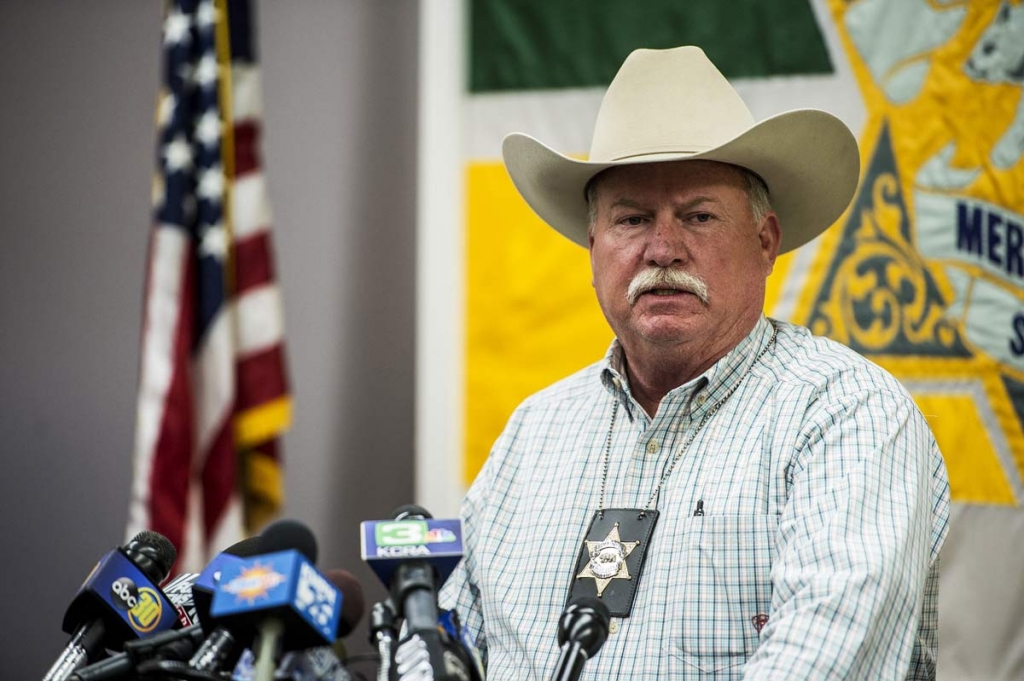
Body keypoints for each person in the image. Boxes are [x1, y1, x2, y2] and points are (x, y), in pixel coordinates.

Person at [439, 46, 950, 680]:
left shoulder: (845, 412)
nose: (662, 248)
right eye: (631, 219)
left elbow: (820, 663)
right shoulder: (532, 433)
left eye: (698, 216)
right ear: (593, 248)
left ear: (765, 243)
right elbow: (447, 640)